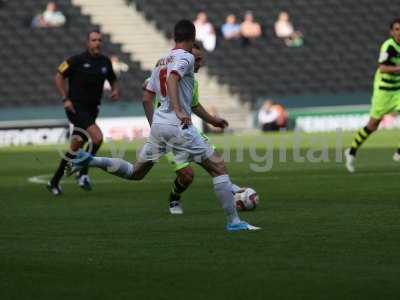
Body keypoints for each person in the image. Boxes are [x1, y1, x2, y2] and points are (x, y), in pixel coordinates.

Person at [68, 20, 260, 231]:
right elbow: (172, 79)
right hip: (178, 126)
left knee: (135, 172)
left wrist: (157, 125)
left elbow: (146, 98)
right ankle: (234, 222)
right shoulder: (185, 57)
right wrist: (178, 109)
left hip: (160, 125)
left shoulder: (161, 61)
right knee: (218, 168)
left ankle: (90, 160)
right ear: (192, 36)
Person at [143, 42, 243, 214]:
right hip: (170, 132)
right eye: (196, 60)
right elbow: (147, 95)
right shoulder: (170, 73)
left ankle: (231, 192)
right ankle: (174, 198)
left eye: (200, 60)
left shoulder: (191, 81)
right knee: (187, 176)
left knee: (215, 162)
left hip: (187, 130)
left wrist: (212, 120)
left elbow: (195, 105)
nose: (198, 63)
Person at [47, 29, 119, 195]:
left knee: (75, 146)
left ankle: (54, 182)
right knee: (98, 138)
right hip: (75, 108)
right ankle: (83, 172)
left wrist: (115, 90)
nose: (97, 43)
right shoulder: (76, 60)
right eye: (93, 40)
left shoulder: (105, 61)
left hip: (93, 109)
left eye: (99, 40)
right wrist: (65, 98)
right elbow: (58, 76)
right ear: (87, 43)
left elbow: (113, 78)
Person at [345, 19, 400, 173]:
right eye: (396, 29)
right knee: (372, 126)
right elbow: (382, 68)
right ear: (391, 32)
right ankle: (351, 151)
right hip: (384, 91)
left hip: (398, 90)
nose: (399, 32)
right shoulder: (388, 47)